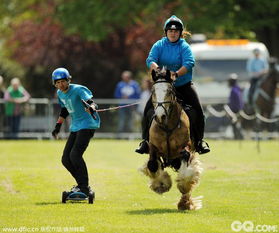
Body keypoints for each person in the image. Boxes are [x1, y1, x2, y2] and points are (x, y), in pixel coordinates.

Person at [135, 15, 210, 154]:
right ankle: (145, 142)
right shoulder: (159, 45)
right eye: (170, 30)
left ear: (180, 33)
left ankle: (199, 142)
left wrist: (176, 74)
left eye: (176, 31)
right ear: (166, 32)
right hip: (163, 86)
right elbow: (150, 59)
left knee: (198, 111)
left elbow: (189, 63)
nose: (173, 33)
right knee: (147, 111)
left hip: (183, 86)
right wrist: (157, 69)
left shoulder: (184, 46)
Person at [51, 67, 100, 196]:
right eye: (57, 82)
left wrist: (91, 107)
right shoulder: (60, 93)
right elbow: (64, 110)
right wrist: (57, 127)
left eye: (62, 81)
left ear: (68, 80)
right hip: (76, 126)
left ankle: (84, 188)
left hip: (88, 124)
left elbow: (92, 103)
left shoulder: (79, 89)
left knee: (75, 155)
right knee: (66, 159)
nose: (60, 84)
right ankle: (81, 185)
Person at [227, 73, 244, 139]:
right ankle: (237, 137)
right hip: (237, 110)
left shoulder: (235, 90)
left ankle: (238, 138)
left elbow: (237, 102)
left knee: (236, 126)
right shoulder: (237, 89)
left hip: (235, 111)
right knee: (236, 125)